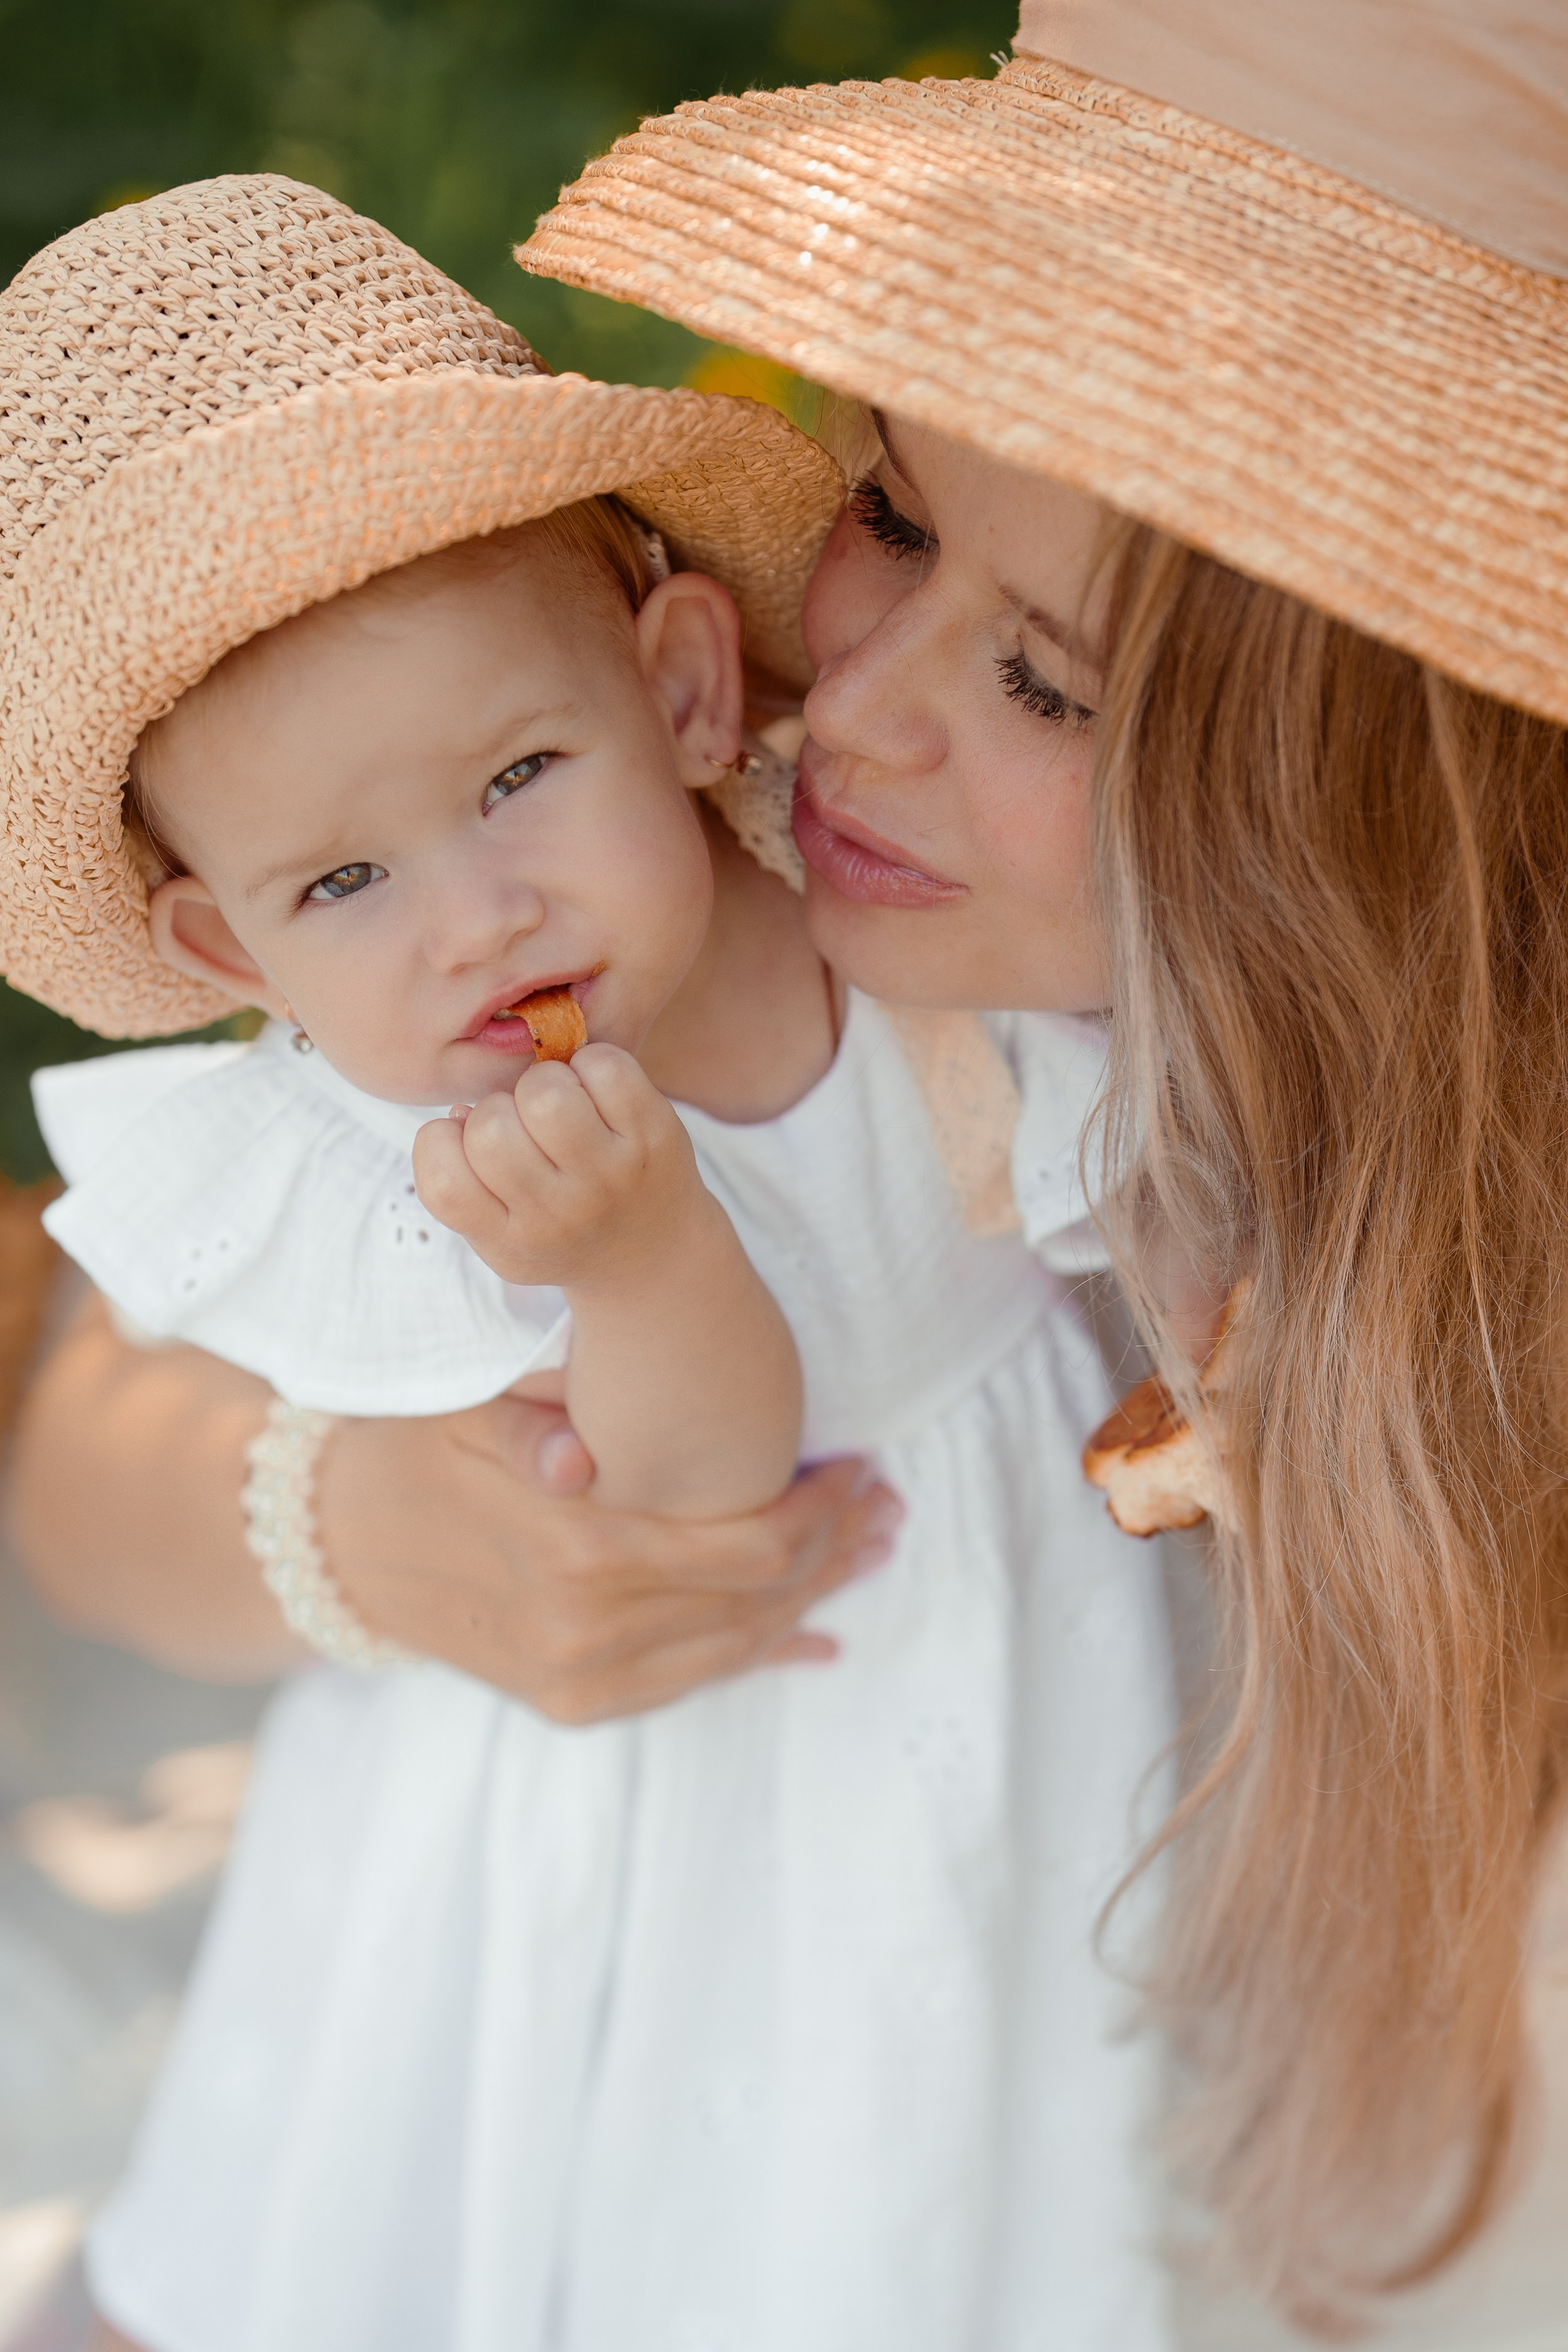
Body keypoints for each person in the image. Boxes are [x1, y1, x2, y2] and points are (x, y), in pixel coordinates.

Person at [2, 179, 1175, 2351]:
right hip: (619, 1750)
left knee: (944, 2183)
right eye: (342, 879)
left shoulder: (911, 937)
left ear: (688, 686)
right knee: (544, 2189)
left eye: (521, 775)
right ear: (224, 953)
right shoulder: (405, 1142)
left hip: (987, 1707)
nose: (476, 920)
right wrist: (635, 1256)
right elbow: (686, 1495)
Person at [516, 0, 1568, 2329]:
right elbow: (115, 1400)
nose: (859, 700)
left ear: (1375, 824)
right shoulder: (768, 917)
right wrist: (365, 1528)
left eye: (1053, 686)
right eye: (887, 506)